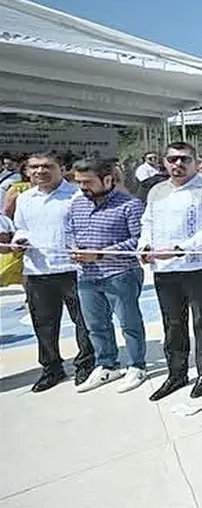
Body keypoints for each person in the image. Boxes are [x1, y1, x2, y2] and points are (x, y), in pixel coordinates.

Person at [139, 142, 202, 401]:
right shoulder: (157, 191)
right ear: (164, 162)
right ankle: (176, 373)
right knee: (173, 323)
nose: (178, 164)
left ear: (195, 162)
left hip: (198, 267)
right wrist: (144, 246)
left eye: (184, 159)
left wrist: (181, 249)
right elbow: (147, 222)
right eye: (172, 159)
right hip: (164, 268)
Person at [10, 151, 96, 392]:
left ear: (62, 169)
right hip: (38, 270)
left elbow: (88, 227)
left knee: (83, 321)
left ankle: (86, 364)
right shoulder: (24, 198)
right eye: (34, 167)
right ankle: (51, 368)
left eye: (47, 166)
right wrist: (19, 241)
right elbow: (21, 228)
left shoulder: (77, 195)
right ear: (27, 171)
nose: (40, 171)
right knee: (44, 324)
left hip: (74, 270)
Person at [67, 158, 148, 394]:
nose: (82, 187)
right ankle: (107, 365)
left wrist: (101, 254)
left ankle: (137, 365)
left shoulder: (130, 205)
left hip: (120, 274)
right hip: (86, 275)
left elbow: (138, 241)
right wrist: (73, 247)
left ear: (108, 179)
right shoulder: (77, 204)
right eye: (79, 182)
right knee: (95, 325)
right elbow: (69, 231)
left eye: (88, 182)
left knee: (129, 324)